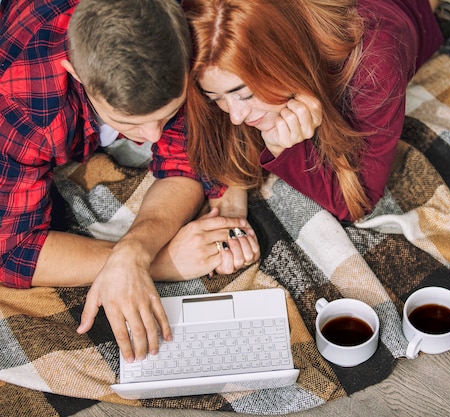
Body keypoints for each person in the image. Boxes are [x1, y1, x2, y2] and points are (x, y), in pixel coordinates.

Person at [0, 0, 260, 363]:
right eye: (131, 122)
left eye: (168, 114)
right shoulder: (21, 105)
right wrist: (157, 262)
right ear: (76, 75)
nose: (154, 136)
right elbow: (12, 251)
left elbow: (185, 161)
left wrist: (135, 248)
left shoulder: (183, 29)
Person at [182, 0, 444, 223]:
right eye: (214, 97)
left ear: (284, 60)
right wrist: (233, 183)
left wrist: (285, 149)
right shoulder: (211, 35)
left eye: (246, 94)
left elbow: (356, 201)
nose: (235, 116)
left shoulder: (374, 59)